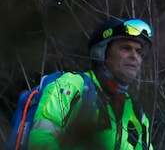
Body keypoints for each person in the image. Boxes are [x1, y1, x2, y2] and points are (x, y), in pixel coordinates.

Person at [28, 17, 154, 150]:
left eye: (139, 51)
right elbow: (41, 141)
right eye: (125, 48)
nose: (134, 56)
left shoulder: (136, 113)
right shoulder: (72, 86)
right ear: (102, 53)